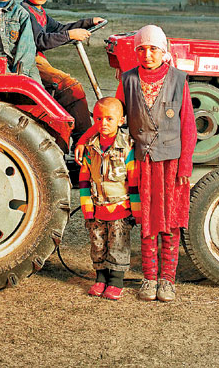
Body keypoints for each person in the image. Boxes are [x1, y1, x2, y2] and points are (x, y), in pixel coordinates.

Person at [75, 24, 195, 303]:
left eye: (153, 49)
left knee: (170, 222)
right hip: (142, 162)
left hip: (171, 164)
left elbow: (188, 124)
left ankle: (167, 280)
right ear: (137, 52)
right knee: (148, 221)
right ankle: (149, 279)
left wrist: (185, 165)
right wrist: (84, 139)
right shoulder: (128, 80)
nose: (148, 54)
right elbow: (110, 115)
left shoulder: (178, 80)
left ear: (162, 51)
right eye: (142, 49)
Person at [20, 0, 106, 142]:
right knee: (71, 88)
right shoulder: (24, 12)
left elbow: (59, 28)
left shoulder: (39, 12)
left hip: (38, 59)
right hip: (27, 59)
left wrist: (88, 22)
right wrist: (70, 36)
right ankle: (85, 140)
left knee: (69, 88)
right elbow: (40, 41)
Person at [77, 97, 139, 299]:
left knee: (118, 245)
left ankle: (115, 282)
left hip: (120, 208)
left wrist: (136, 212)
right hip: (97, 208)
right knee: (98, 245)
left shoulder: (127, 148)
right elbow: (85, 182)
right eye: (99, 118)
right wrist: (87, 209)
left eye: (109, 119)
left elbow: (134, 181)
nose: (103, 123)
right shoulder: (90, 149)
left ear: (121, 120)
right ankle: (100, 279)